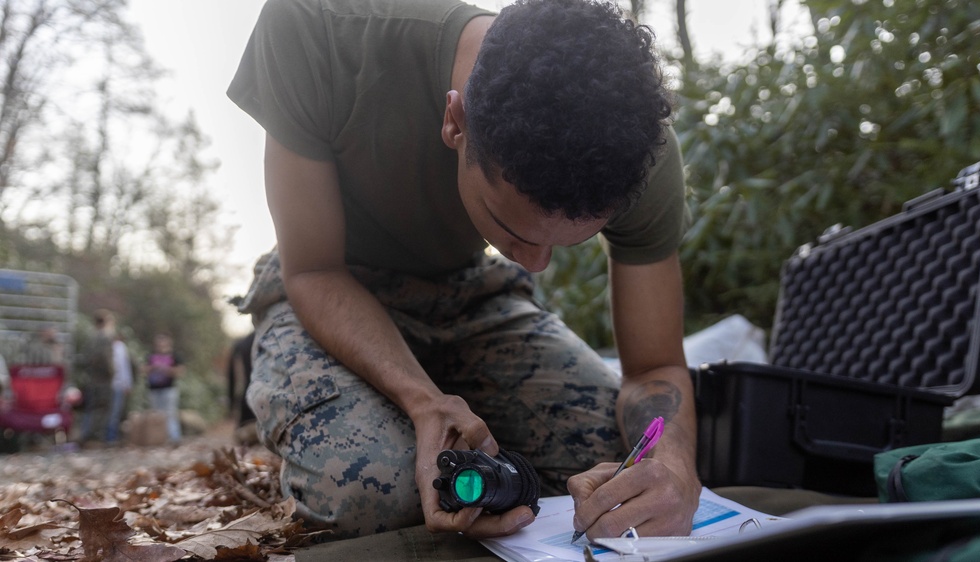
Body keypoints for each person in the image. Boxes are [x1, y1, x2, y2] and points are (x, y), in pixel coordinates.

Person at [228, 0, 699, 541]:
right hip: (335, 287)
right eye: (515, 232)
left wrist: (675, 467)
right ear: (455, 121)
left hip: (471, 296)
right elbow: (312, 271)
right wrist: (425, 402)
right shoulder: (318, 28)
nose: (536, 265)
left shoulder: (636, 149)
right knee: (370, 488)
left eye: (569, 244)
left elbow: (655, 367)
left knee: (614, 465)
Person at [77, 309, 116, 444]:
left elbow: (84, 359)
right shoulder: (105, 338)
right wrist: (112, 373)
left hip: (92, 378)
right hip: (104, 379)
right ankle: (95, 437)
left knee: (91, 408)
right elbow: (107, 359)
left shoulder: (90, 339)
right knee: (103, 408)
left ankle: (86, 434)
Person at [141, 333, 184, 443]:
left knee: (170, 414)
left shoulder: (174, 356)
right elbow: (143, 370)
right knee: (156, 415)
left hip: (169, 389)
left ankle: (174, 438)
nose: (160, 345)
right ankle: (159, 438)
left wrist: (166, 370)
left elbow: (180, 372)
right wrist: (153, 368)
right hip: (153, 389)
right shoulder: (150, 356)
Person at [106, 334, 133, 443]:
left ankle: (111, 437)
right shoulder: (116, 348)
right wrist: (127, 384)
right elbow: (124, 368)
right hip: (111, 386)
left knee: (114, 412)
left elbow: (124, 367)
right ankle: (110, 437)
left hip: (116, 385)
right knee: (113, 412)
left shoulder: (119, 347)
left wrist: (127, 384)